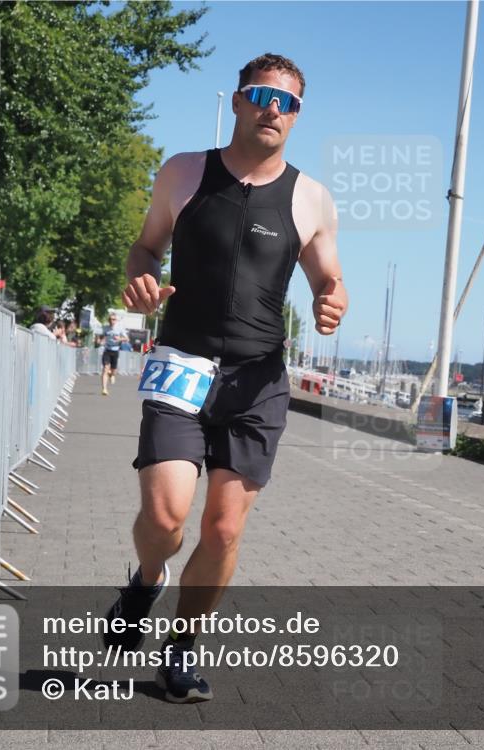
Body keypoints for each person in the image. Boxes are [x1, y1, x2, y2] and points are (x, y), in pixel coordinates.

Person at [103, 53, 347, 704]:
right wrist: (142, 277)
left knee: (224, 530)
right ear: (239, 101)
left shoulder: (311, 198)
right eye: (263, 95)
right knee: (165, 517)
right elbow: (145, 245)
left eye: (288, 102)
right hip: (182, 361)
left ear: (297, 117)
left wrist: (332, 299)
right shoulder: (183, 173)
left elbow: (329, 277)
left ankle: (181, 651)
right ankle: (147, 577)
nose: (274, 109)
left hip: (257, 379)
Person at [101, 312, 127, 396]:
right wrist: (101, 340)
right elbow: (101, 336)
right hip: (107, 350)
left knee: (113, 371)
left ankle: (112, 374)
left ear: (116, 320)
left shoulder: (119, 328)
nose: (112, 321)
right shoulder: (105, 328)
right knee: (105, 368)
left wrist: (119, 339)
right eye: (110, 319)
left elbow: (127, 338)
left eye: (114, 319)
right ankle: (104, 389)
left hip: (115, 351)